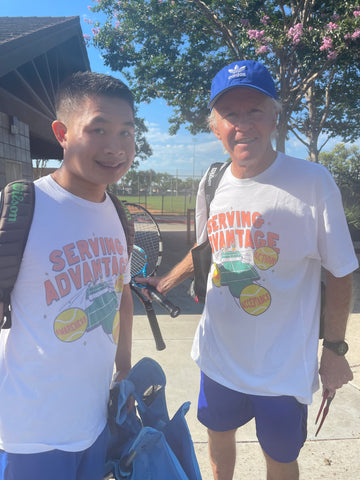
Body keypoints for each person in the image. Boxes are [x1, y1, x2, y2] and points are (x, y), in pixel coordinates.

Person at [138, 60, 359, 480]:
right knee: (218, 437)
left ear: (275, 116)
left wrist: (334, 350)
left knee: (280, 458)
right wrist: (167, 280)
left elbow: (340, 270)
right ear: (215, 125)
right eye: (230, 114)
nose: (243, 124)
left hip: (281, 366)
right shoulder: (212, 180)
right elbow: (209, 245)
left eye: (254, 110)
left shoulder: (312, 182)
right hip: (219, 356)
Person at [0, 71, 136, 480]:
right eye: (98, 129)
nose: (116, 147)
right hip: (28, 434)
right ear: (61, 132)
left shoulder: (118, 213)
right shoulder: (26, 205)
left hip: (93, 426)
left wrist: (125, 370)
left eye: (127, 132)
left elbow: (122, 295)